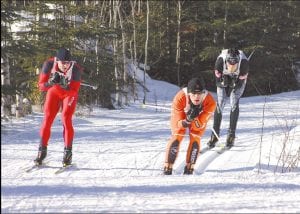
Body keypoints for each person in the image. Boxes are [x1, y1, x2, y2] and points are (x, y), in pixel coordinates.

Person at [34, 47, 83, 167]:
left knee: (66, 118)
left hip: (68, 94)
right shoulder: (49, 64)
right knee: (48, 118)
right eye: (62, 63)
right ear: (57, 60)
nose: (65, 65)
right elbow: (41, 86)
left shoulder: (76, 69)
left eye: (67, 63)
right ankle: (42, 151)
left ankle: (68, 153)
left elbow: (75, 91)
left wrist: (66, 86)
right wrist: (50, 83)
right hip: (54, 92)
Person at [163, 77, 216, 175]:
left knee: (195, 136)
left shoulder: (210, 102)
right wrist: (187, 120)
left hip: (198, 117)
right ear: (188, 93)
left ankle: (190, 166)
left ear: (203, 93)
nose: (197, 97)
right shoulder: (180, 97)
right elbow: (178, 124)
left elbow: (198, 126)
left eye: (199, 93)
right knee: (178, 134)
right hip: (183, 113)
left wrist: (194, 118)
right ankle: (168, 165)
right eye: (194, 94)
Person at [207, 48, 249, 149]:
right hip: (223, 76)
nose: (232, 66)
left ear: (238, 61)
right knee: (220, 102)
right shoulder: (220, 62)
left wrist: (235, 83)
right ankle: (214, 135)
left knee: (234, 102)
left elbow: (240, 84)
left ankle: (231, 135)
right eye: (230, 63)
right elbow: (217, 81)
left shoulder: (244, 64)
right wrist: (222, 82)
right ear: (226, 61)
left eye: (234, 64)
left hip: (239, 78)